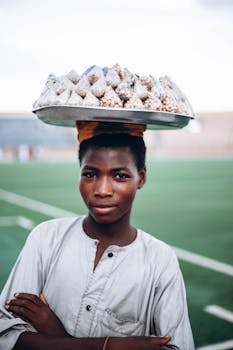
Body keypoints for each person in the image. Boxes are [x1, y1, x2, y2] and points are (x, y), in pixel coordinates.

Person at [0, 122, 195, 350]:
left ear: (140, 178)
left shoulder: (160, 260)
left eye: (120, 176)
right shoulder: (46, 238)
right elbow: (6, 336)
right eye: (90, 174)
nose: (102, 190)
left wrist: (57, 334)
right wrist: (111, 346)